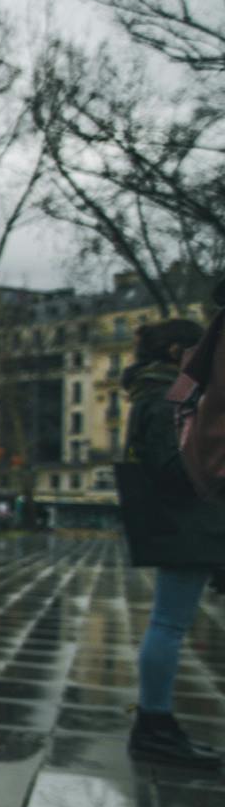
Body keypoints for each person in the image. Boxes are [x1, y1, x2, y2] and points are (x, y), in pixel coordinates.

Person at [116, 318, 223, 766]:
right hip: (187, 525)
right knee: (169, 625)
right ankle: (154, 725)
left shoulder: (158, 394)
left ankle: (155, 724)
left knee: (169, 624)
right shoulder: (165, 398)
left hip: (185, 524)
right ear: (177, 351)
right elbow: (172, 466)